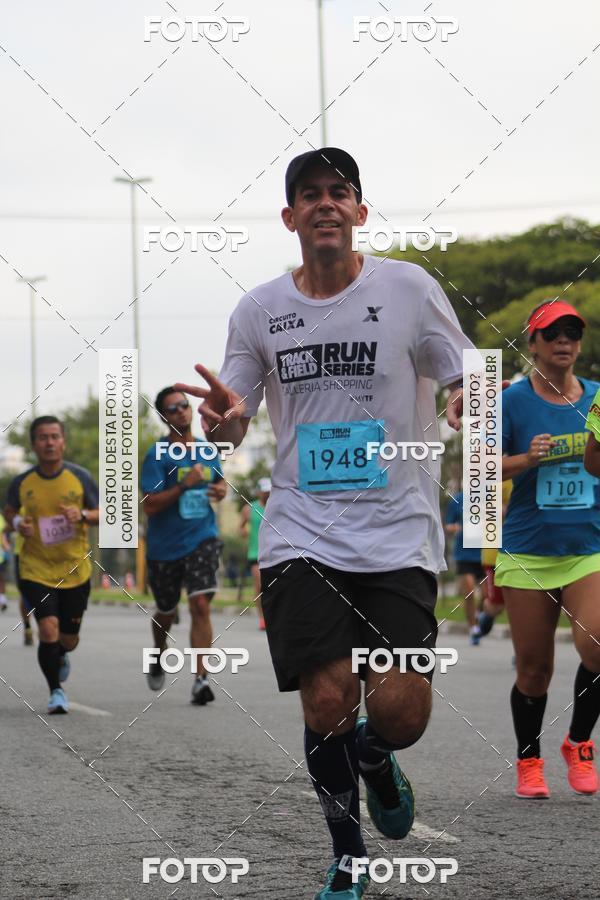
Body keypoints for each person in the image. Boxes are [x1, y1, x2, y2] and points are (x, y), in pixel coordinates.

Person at [176, 147, 473, 898]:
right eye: (310, 194)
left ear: (360, 211)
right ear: (290, 217)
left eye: (340, 192)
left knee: (400, 714)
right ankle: (347, 855)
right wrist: (224, 423)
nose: (326, 204)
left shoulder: (408, 287)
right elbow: (231, 417)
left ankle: (378, 757)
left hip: (398, 528)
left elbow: (468, 368)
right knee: (327, 698)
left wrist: (470, 397)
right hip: (302, 530)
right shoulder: (260, 310)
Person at [495, 301, 600, 799]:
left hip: (588, 546)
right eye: (552, 332)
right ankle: (528, 759)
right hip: (529, 549)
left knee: (598, 643)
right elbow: (481, 469)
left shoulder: (599, 398)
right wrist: (525, 457)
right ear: (531, 343)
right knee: (534, 669)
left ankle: (579, 743)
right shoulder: (511, 401)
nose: (564, 341)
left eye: (572, 332)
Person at [3, 416, 99, 713]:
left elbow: (104, 513)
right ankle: (56, 691)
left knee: (68, 640)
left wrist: (81, 516)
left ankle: (61, 653)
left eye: (54, 436)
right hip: (35, 568)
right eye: (43, 437)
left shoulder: (80, 477)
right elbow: (9, 511)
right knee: (48, 628)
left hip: (74, 568)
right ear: (34, 445)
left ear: (63, 442)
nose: (49, 442)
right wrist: (19, 523)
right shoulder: (23, 482)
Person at [141, 386, 227, 705]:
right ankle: (158, 652)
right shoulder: (157, 455)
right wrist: (182, 486)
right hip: (164, 548)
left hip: (202, 537)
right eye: (173, 408)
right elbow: (149, 505)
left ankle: (201, 679)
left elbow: (218, 482)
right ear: (164, 417)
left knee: (200, 605)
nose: (181, 411)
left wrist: (220, 491)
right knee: (166, 609)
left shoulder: (207, 450)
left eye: (184, 405)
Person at [444, 490, 485, 645]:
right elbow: (448, 525)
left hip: (485, 552)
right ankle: (473, 628)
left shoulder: (489, 496)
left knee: (487, 595)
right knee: (469, 592)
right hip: (464, 553)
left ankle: (481, 617)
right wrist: (455, 528)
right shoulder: (458, 499)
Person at [239, 476, 271, 630]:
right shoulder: (249, 508)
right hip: (255, 553)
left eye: (269, 491)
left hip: (274, 552)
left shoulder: (276, 506)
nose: (267, 494)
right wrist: (243, 531)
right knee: (259, 586)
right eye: (264, 491)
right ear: (259, 492)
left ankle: (274, 616)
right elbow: (241, 526)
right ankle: (262, 618)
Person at [0, 513, 9, 611]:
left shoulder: (0, 518)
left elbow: (2, 534)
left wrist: (5, 544)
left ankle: (2, 600)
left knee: (1, 578)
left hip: (0, 555)